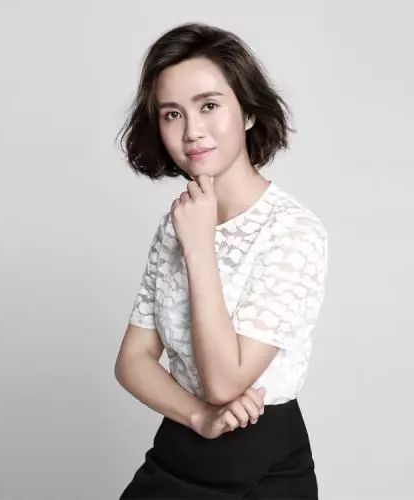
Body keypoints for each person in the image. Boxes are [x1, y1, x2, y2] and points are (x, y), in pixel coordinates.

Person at [114, 22, 329, 499]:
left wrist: (199, 246)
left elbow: (225, 383)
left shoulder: (292, 230)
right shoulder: (178, 222)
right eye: (172, 114)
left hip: (259, 463)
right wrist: (198, 417)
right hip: (181, 445)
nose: (192, 131)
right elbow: (132, 360)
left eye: (209, 105)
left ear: (248, 111)